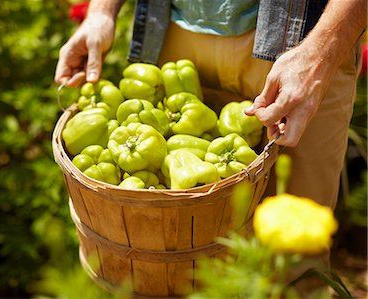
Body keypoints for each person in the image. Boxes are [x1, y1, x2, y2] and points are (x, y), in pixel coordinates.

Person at [55, 0, 365, 292]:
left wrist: (322, 50)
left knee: (295, 265)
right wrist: (101, 12)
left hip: (302, 40)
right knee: (167, 272)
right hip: (175, 30)